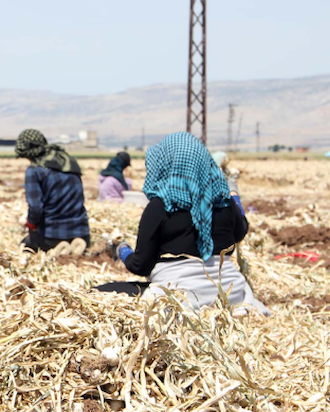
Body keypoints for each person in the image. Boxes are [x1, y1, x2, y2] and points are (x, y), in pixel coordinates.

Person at [104, 132, 268, 313]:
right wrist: (233, 192)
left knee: (101, 291)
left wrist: (121, 248)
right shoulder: (224, 201)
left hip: (180, 298)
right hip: (230, 295)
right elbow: (241, 231)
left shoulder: (160, 207)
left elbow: (141, 265)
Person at [14, 129, 90, 254]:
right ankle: (76, 246)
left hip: (52, 235)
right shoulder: (68, 161)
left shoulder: (35, 170)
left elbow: (36, 208)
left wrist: (31, 225)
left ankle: (56, 249)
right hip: (82, 232)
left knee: (25, 246)